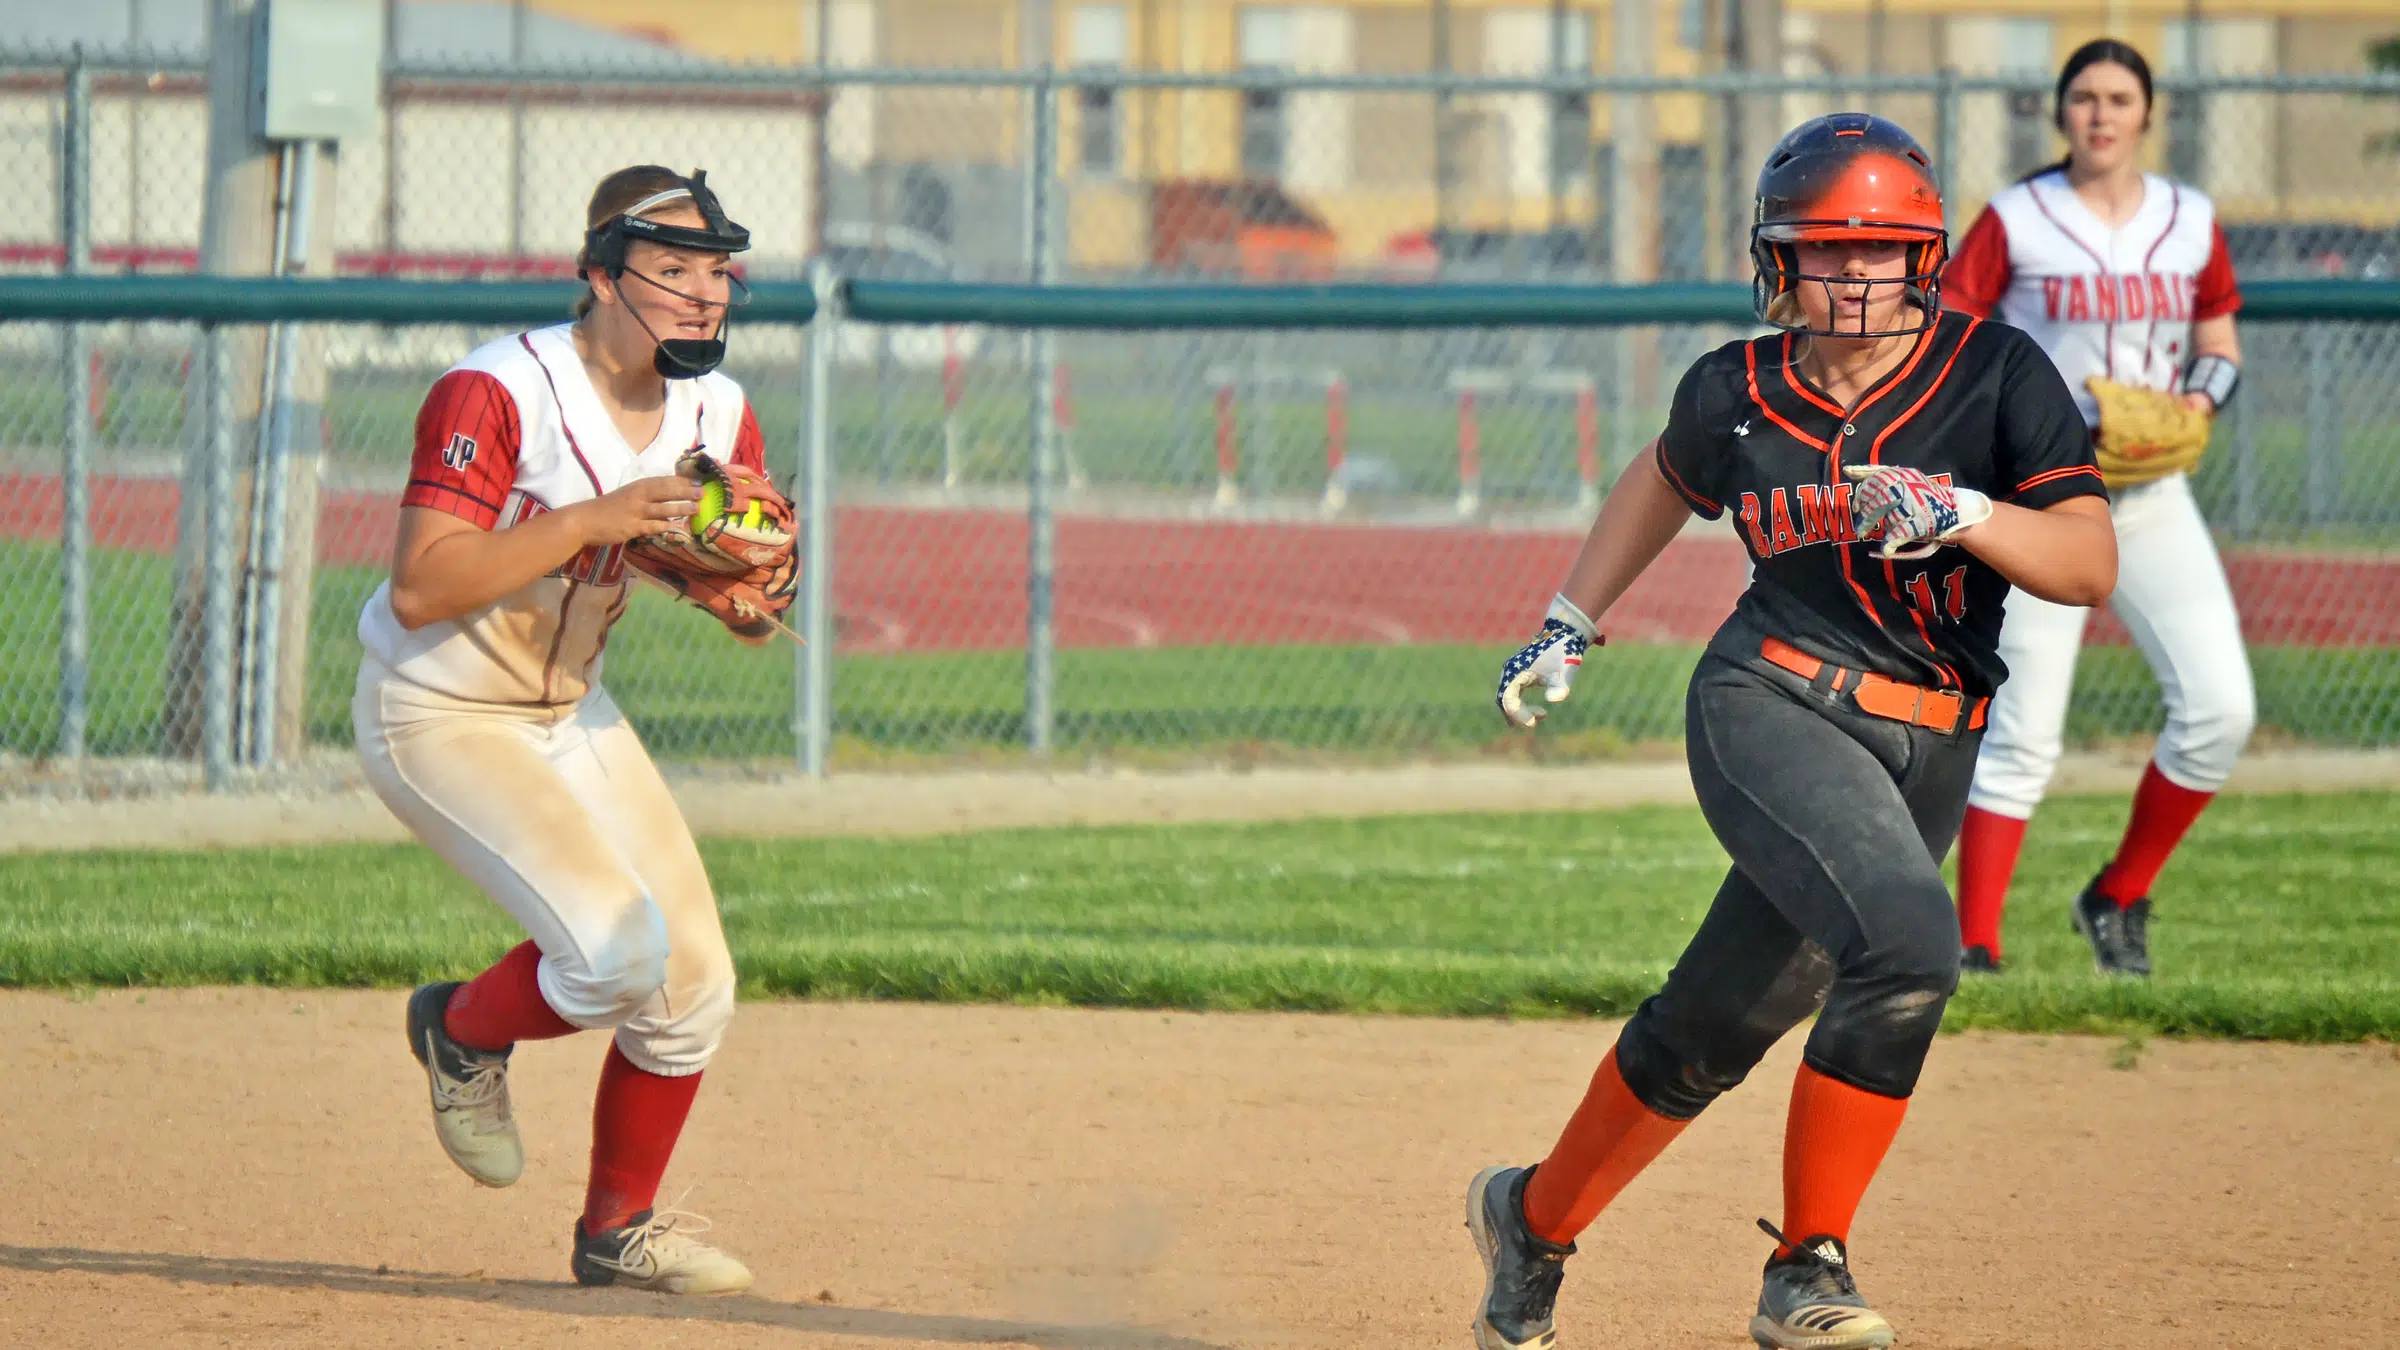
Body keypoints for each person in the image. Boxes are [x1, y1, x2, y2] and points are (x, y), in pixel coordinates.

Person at [1474, 113, 2117, 1350]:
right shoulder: (1738, 386)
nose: (1854, 275)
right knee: (1911, 946)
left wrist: (1969, 510)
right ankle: (1807, 1269)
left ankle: (1531, 1222)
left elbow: (2085, 563)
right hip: (1770, 697)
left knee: (1714, 1023)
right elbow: (1664, 476)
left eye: (1880, 252)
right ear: (1781, 259)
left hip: (1933, 739)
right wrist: (1569, 620)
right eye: (1824, 250)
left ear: (1925, 257)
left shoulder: (1996, 374)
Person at [357, 165, 787, 1294]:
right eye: (674, 270)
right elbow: (418, 586)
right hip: (441, 711)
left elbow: (742, 587)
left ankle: (616, 1233)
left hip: (568, 711)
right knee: (610, 956)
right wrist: (592, 519)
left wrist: (738, 601)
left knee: (694, 987)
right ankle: (461, 1028)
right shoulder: (496, 391)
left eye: (718, 272)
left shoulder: (717, 408)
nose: (705, 295)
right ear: (599, 275)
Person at [1942, 38, 2250, 978]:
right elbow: (1953, 333)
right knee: (2023, 730)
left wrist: (2197, 401)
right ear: (2060, 112)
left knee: (2219, 711)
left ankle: (2116, 895)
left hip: (2153, 496)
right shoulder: (2018, 217)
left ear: (2148, 114)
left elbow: (2219, 339)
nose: (2102, 114)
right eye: (2084, 97)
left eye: (2120, 98)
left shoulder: (2189, 218)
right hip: (2041, 499)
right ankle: (1975, 947)